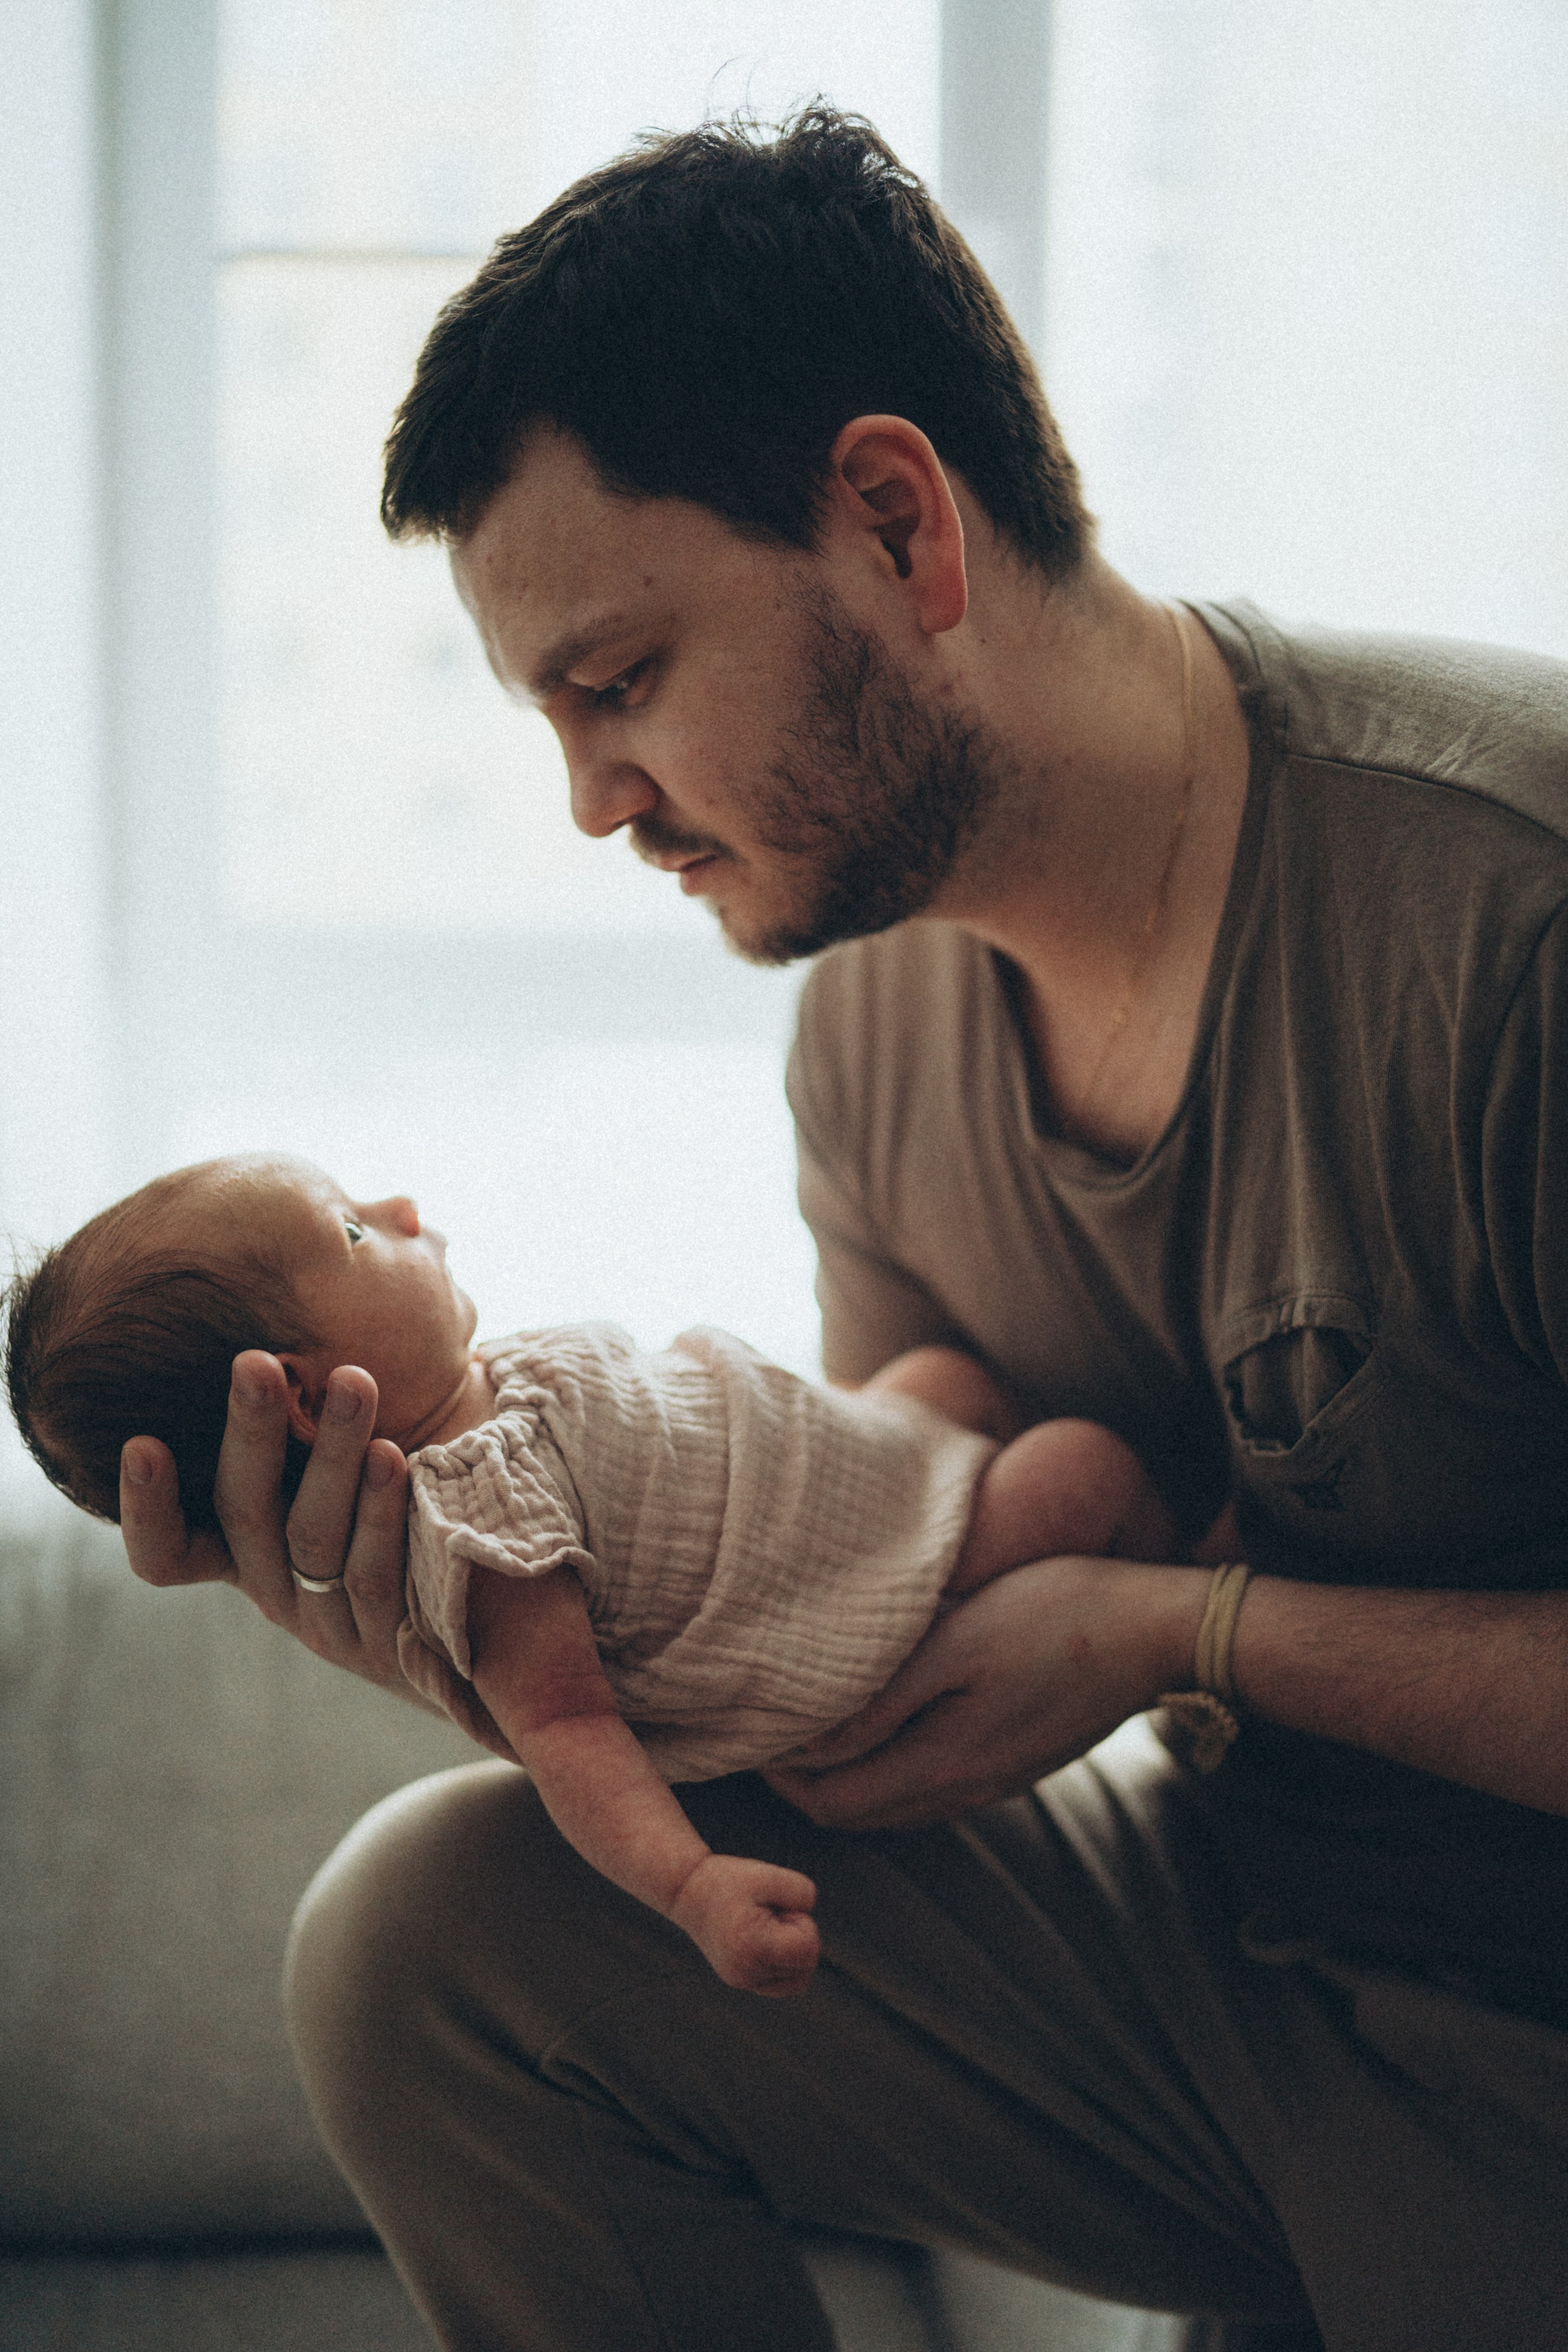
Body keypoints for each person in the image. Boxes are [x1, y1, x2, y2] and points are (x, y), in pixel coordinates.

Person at [115, 108, 1567, 2352]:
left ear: (895, 524)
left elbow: (1108, 1623)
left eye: (617, 684)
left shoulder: (1507, 921)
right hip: (1242, 1946)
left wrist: (1178, 1631)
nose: (592, 801)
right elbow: (905, 1571)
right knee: (428, 1938)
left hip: (1532, 2003)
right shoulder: (869, 1009)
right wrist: (481, 1621)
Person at [7, 1150, 1198, 1998]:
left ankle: (1010, 1500)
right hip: (847, 1599)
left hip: (842, 1479)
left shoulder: (479, 1400)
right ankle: (1202, 1573)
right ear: (309, 1393)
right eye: (354, 1230)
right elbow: (569, 1728)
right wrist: (694, 1890)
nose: (400, 1201)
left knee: (946, 1381)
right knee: (1072, 1473)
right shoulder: (482, 1530)